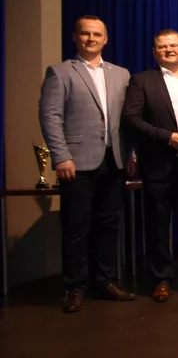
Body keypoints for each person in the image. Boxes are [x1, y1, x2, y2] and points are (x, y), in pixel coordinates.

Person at [38, 15, 133, 313]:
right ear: (75, 37)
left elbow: (127, 119)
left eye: (97, 34)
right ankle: (76, 287)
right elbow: (50, 117)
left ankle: (105, 281)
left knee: (109, 224)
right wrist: (60, 155)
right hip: (76, 162)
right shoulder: (60, 72)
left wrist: (132, 154)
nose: (91, 39)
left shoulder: (121, 74)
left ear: (106, 39)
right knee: (76, 226)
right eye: (85, 33)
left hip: (114, 160)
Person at [121, 29, 178, 303]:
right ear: (154, 52)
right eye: (162, 47)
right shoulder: (142, 80)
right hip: (158, 162)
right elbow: (132, 118)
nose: (168, 50)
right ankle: (161, 279)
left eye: (173, 45)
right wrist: (167, 137)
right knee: (158, 224)